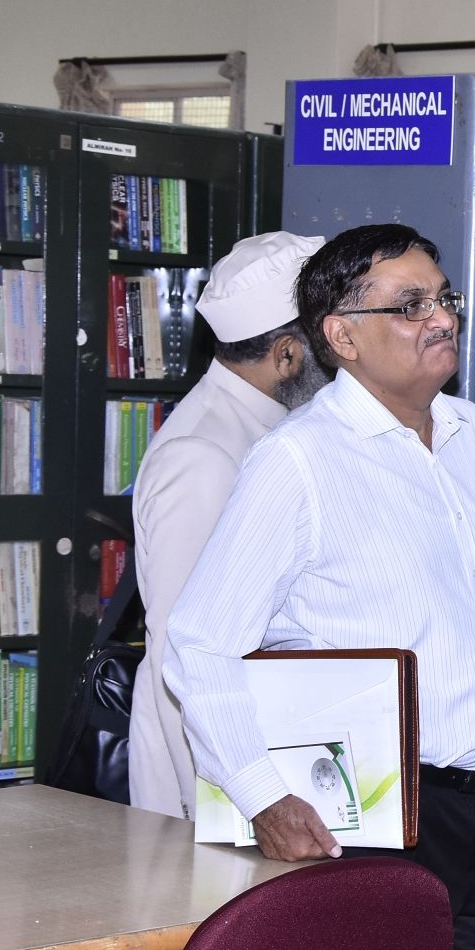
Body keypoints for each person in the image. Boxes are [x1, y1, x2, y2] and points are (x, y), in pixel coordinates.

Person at [164, 223, 475, 950]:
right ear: (342, 336)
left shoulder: (473, 434)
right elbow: (200, 640)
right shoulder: (298, 462)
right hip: (380, 822)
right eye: (410, 306)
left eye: (444, 298)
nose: (441, 319)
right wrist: (262, 794)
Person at [127, 230, 330, 820]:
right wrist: (229, 807)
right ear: (287, 355)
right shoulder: (203, 454)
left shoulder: (273, 427)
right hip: (212, 784)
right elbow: (178, 654)